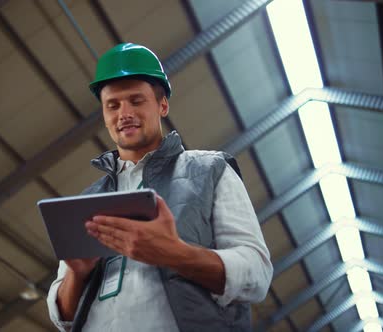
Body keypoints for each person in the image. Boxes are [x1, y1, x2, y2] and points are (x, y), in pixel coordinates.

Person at [46, 43, 273, 331]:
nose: (124, 113)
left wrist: (175, 254)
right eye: (112, 105)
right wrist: (76, 276)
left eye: (136, 101)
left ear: (162, 105)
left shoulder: (210, 170)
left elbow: (257, 273)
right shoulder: (87, 201)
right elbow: (63, 319)